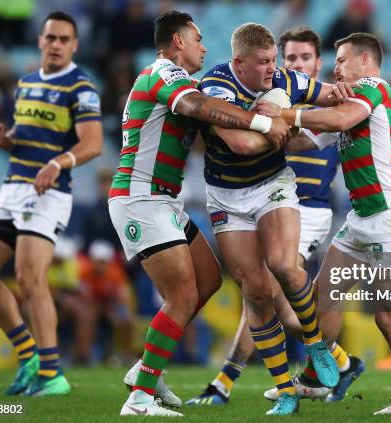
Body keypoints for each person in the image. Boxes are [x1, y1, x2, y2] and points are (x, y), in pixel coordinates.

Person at [254, 32, 391, 415]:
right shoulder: (352, 104)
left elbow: (339, 117)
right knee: (319, 298)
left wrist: (283, 113)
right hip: (361, 221)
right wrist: (257, 127)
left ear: (365, 60)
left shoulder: (374, 87)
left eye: (342, 61)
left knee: (387, 318)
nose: (336, 69)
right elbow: (303, 141)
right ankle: (315, 378)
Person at [109, 11, 294, 417]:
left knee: (208, 281)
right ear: (177, 42)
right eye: (198, 39)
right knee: (182, 295)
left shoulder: (182, 80)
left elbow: (202, 125)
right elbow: (197, 105)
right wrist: (264, 121)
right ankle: (139, 399)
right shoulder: (164, 74)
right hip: (141, 197)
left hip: (165, 200)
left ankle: (147, 368)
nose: (204, 47)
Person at [185, 26, 363, 407]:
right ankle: (286, 390)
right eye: (265, 62)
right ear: (239, 63)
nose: (273, 69)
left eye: (275, 61)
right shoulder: (215, 86)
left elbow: (335, 97)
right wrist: (274, 125)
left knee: (282, 266)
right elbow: (240, 142)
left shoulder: (287, 84)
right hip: (226, 197)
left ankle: (316, 347)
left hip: (278, 188)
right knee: (256, 291)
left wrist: (347, 91)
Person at [0, 11, 103, 397]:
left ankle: (52, 374)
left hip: (49, 192)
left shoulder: (81, 87)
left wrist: (57, 163)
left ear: (74, 45)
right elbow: (25, 137)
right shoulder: (26, 81)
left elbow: (92, 143)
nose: (56, 44)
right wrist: (4, 140)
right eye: (50, 38)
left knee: (29, 277)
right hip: (13, 188)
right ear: (40, 41)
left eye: (63, 39)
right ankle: (29, 356)